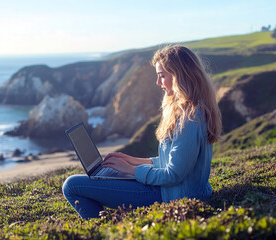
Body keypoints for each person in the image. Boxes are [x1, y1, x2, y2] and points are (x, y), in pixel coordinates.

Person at [62, 44, 222, 219]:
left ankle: (102, 231)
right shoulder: (190, 109)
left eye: (162, 76)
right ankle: (108, 224)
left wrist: (130, 170)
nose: (158, 82)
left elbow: (174, 174)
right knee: (92, 180)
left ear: (179, 76)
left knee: (71, 185)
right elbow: (171, 161)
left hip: (173, 196)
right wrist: (131, 161)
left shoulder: (190, 118)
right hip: (175, 191)